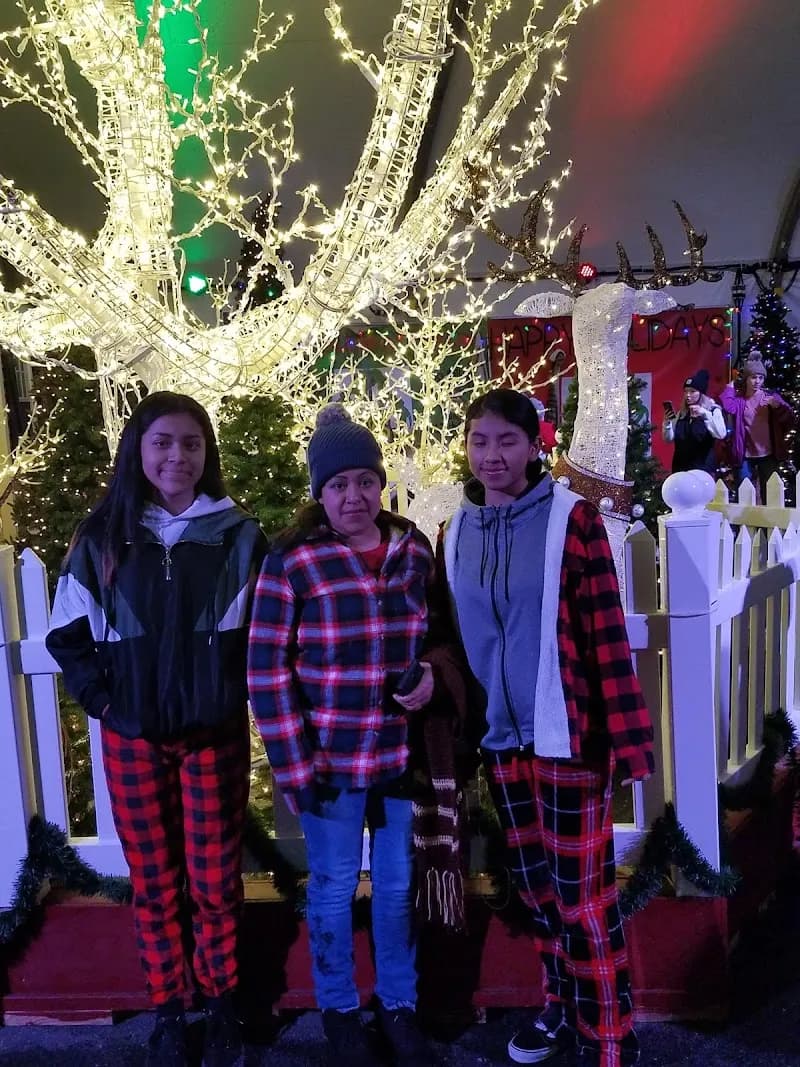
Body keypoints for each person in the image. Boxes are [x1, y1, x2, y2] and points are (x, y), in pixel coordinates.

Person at [46, 392, 267, 1067]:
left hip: (213, 736)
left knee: (213, 877)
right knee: (155, 880)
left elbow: (269, 631)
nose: (178, 456)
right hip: (132, 735)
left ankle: (222, 1001)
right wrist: (110, 707)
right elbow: (67, 635)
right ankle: (171, 1007)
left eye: (192, 443)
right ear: (137, 451)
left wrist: (233, 694)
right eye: (163, 442)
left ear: (208, 453)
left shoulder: (238, 535)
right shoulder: (103, 537)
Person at [438, 387, 654, 1067]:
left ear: (536, 446)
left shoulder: (573, 519)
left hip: (568, 737)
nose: (492, 454)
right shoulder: (453, 531)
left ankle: (610, 1032)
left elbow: (605, 632)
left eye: (507, 440)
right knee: (535, 890)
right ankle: (561, 1007)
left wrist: (626, 739)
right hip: (499, 742)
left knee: (583, 896)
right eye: (480, 440)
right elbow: (451, 634)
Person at [247, 404, 460, 1067]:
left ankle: (398, 1005)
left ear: (379, 482)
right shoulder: (294, 562)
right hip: (329, 759)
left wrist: (429, 674)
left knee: (396, 886)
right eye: (338, 484)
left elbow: (438, 636)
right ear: (320, 491)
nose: (354, 496)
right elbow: (266, 669)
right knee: (336, 884)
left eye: (365, 480)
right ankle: (339, 1009)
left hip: (400, 755)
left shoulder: (411, 548)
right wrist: (293, 763)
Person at [719, 354, 794, 503]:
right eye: (753, 377)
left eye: (760, 377)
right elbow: (728, 406)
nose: (757, 381)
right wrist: (729, 388)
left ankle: (770, 525)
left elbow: (790, 418)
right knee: (744, 493)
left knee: (770, 494)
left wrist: (777, 406)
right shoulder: (740, 401)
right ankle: (746, 524)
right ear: (746, 379)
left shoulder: (771, 397)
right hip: (745, 455)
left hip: (768, 454)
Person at [662, 369, 727, 474]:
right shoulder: (681, 414)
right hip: (680, 468)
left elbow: (721, 434)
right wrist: (667, 423)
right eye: (686, 391)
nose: (688, 395)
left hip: (702, 468)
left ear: (701, 393)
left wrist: (705, 414)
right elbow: (668, 439)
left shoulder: (713, 410)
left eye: (692, 391)